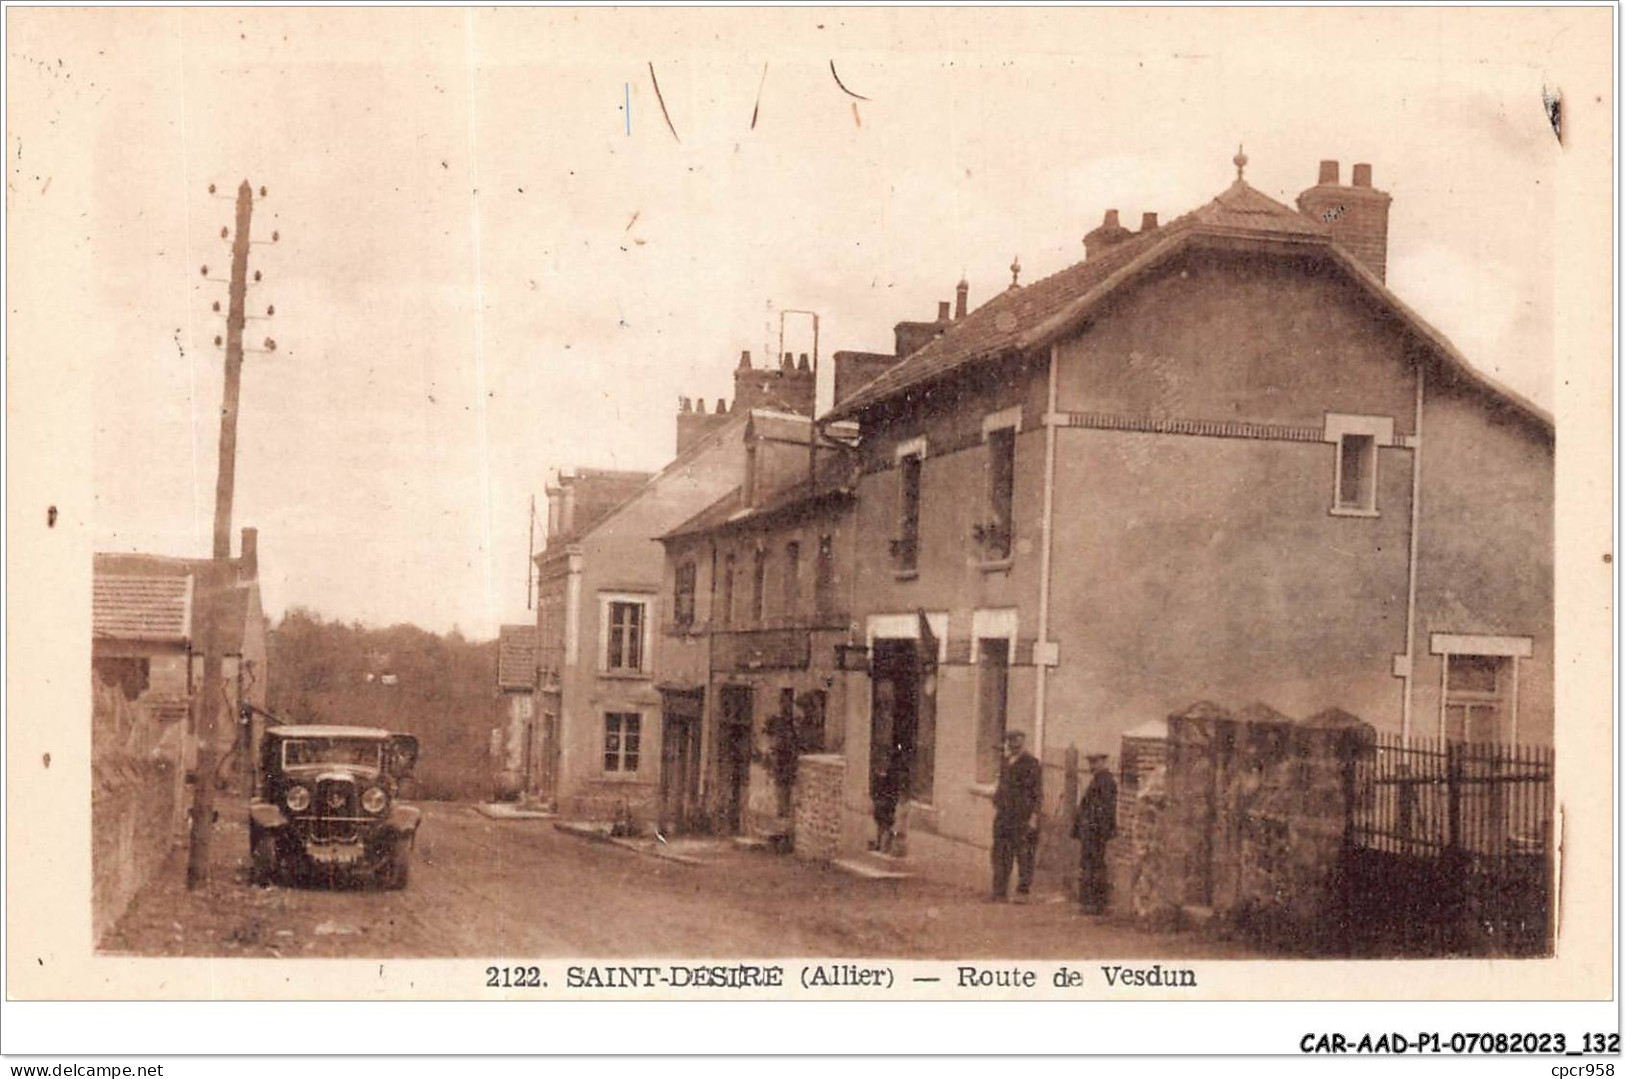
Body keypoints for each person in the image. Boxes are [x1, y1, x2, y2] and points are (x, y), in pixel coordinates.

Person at [991, 729, 1042, 902]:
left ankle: (1023, 892)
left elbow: (1037, 793)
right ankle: (999, 891)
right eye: (1011, 742)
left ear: (1023, 743)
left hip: (1022, 816)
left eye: (1018, 742)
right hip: (1004, 815)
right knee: (1001, 853)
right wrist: (997, 800)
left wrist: (1034, 816)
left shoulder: (1032, 763)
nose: (1014, 745)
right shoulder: (1006, 762)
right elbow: (1002, 785)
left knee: (1024, 855)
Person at [1073, 752, 1118, 914]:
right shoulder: (1097, 780)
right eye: (1090, 762)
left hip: (1097, 832)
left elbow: (1103, 810)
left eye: (1095, 762)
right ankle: (1090, 902)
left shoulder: (1106, 781)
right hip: (1091, 831)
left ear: (1103, 762)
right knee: (1089, 866)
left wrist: (1093, 827)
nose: (1092, 766)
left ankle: (1096, 903)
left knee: (1095, 866)